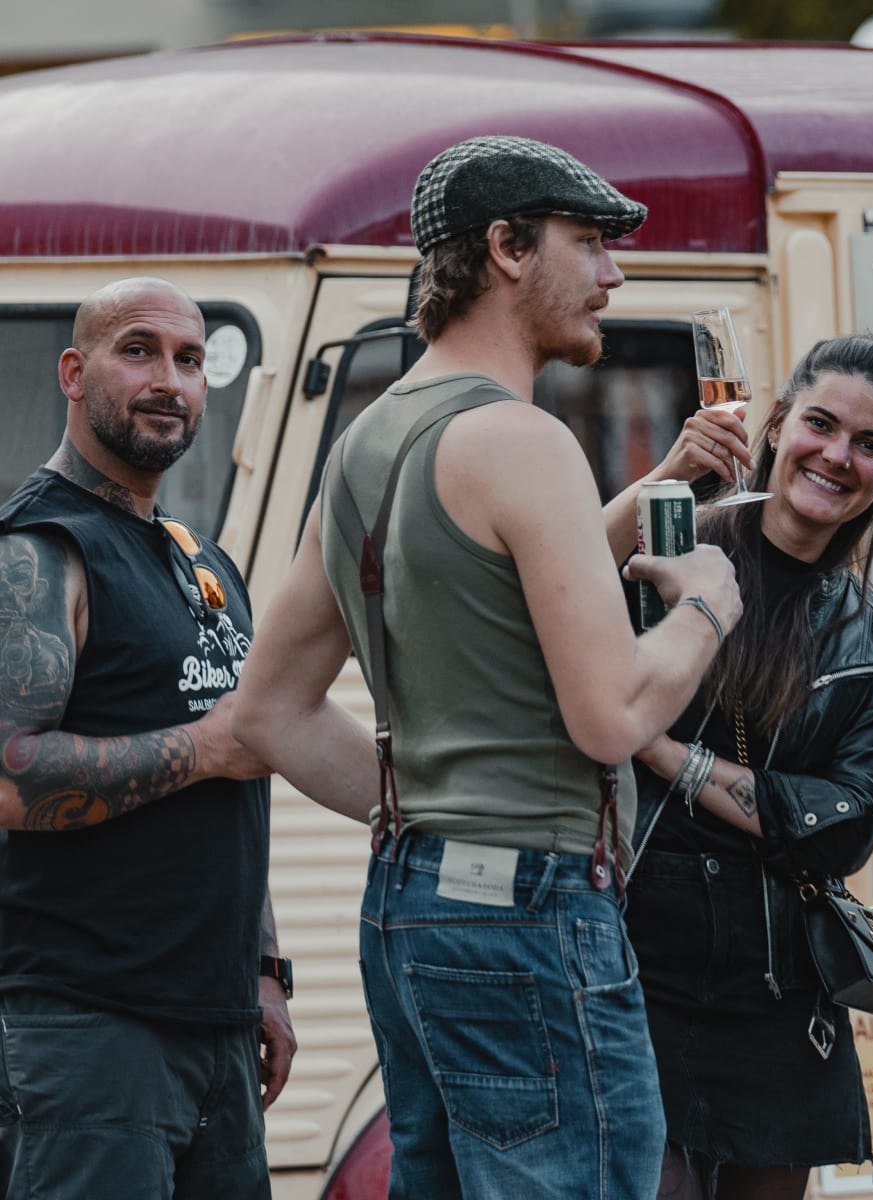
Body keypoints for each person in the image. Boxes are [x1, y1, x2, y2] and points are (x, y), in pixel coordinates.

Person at [231, 136, 742, 1199]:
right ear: (507, 248)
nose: (614, 274)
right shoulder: (524, 439)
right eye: (591, 243)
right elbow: (610, 717)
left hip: (413, 903)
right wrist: (705, 605)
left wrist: (424, 805)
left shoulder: (374, 440)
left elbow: (271, 710)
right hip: (535, 909)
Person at [601, 335, 873, 1200]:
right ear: (776, 428)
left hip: (781, 991)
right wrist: (665, 472)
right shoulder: (670, 549)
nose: (837, 456)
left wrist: (664, 751)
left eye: (870, 444)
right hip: (636, 968)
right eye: (819, 424)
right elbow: (534, 610)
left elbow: (851, 821)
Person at [0, 277, 294, 1198]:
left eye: (190, 359)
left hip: (214, 1025)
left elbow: (242, 774)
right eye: (139, 352)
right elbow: (10, 780)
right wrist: (205, 747)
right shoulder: (39, 549)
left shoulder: (202, 561)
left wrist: (265, 968)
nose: (168, 379)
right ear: (75, 373)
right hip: (86, 1031)